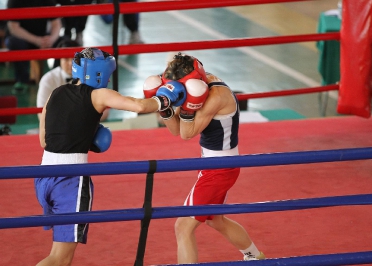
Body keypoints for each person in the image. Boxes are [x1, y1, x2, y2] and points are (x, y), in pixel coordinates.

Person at [35, 47, 183, 266]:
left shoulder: (55, 93)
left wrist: (82, 134)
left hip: (44, 177)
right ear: (100, 73)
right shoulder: (99, 95)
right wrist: (165, 96)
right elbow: (139, 106)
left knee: (59, 255)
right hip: (70, 181)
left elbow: (44, 141)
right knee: (60, 258)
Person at [143, 52, 265, 263]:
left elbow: (185, 133)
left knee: (183, 226)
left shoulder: (216, 96)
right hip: (213, 165)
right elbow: (175, 129)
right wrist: (165, 107)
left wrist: (186, 109)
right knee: (215, 220)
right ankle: (256, 257)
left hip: (220, 168)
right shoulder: (195, 78)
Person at [37, 39, 109, 122]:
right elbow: (41, 114)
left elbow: (105, 112)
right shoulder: (48, 80)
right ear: (59, 60)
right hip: (59, 128)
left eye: (74, 59)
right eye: (66, 59)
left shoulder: (91, 76)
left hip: (86, 127)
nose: (71, 63)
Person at [5, 0, 63, 91]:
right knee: (14, 43)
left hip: (43, 38)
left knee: (63, 42)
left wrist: (51, 39)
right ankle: (21, 80)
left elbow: (56, 23)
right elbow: (13, 27)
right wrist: (37, 40)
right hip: (23, 38)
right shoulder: (14, 1)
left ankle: (57, 80)